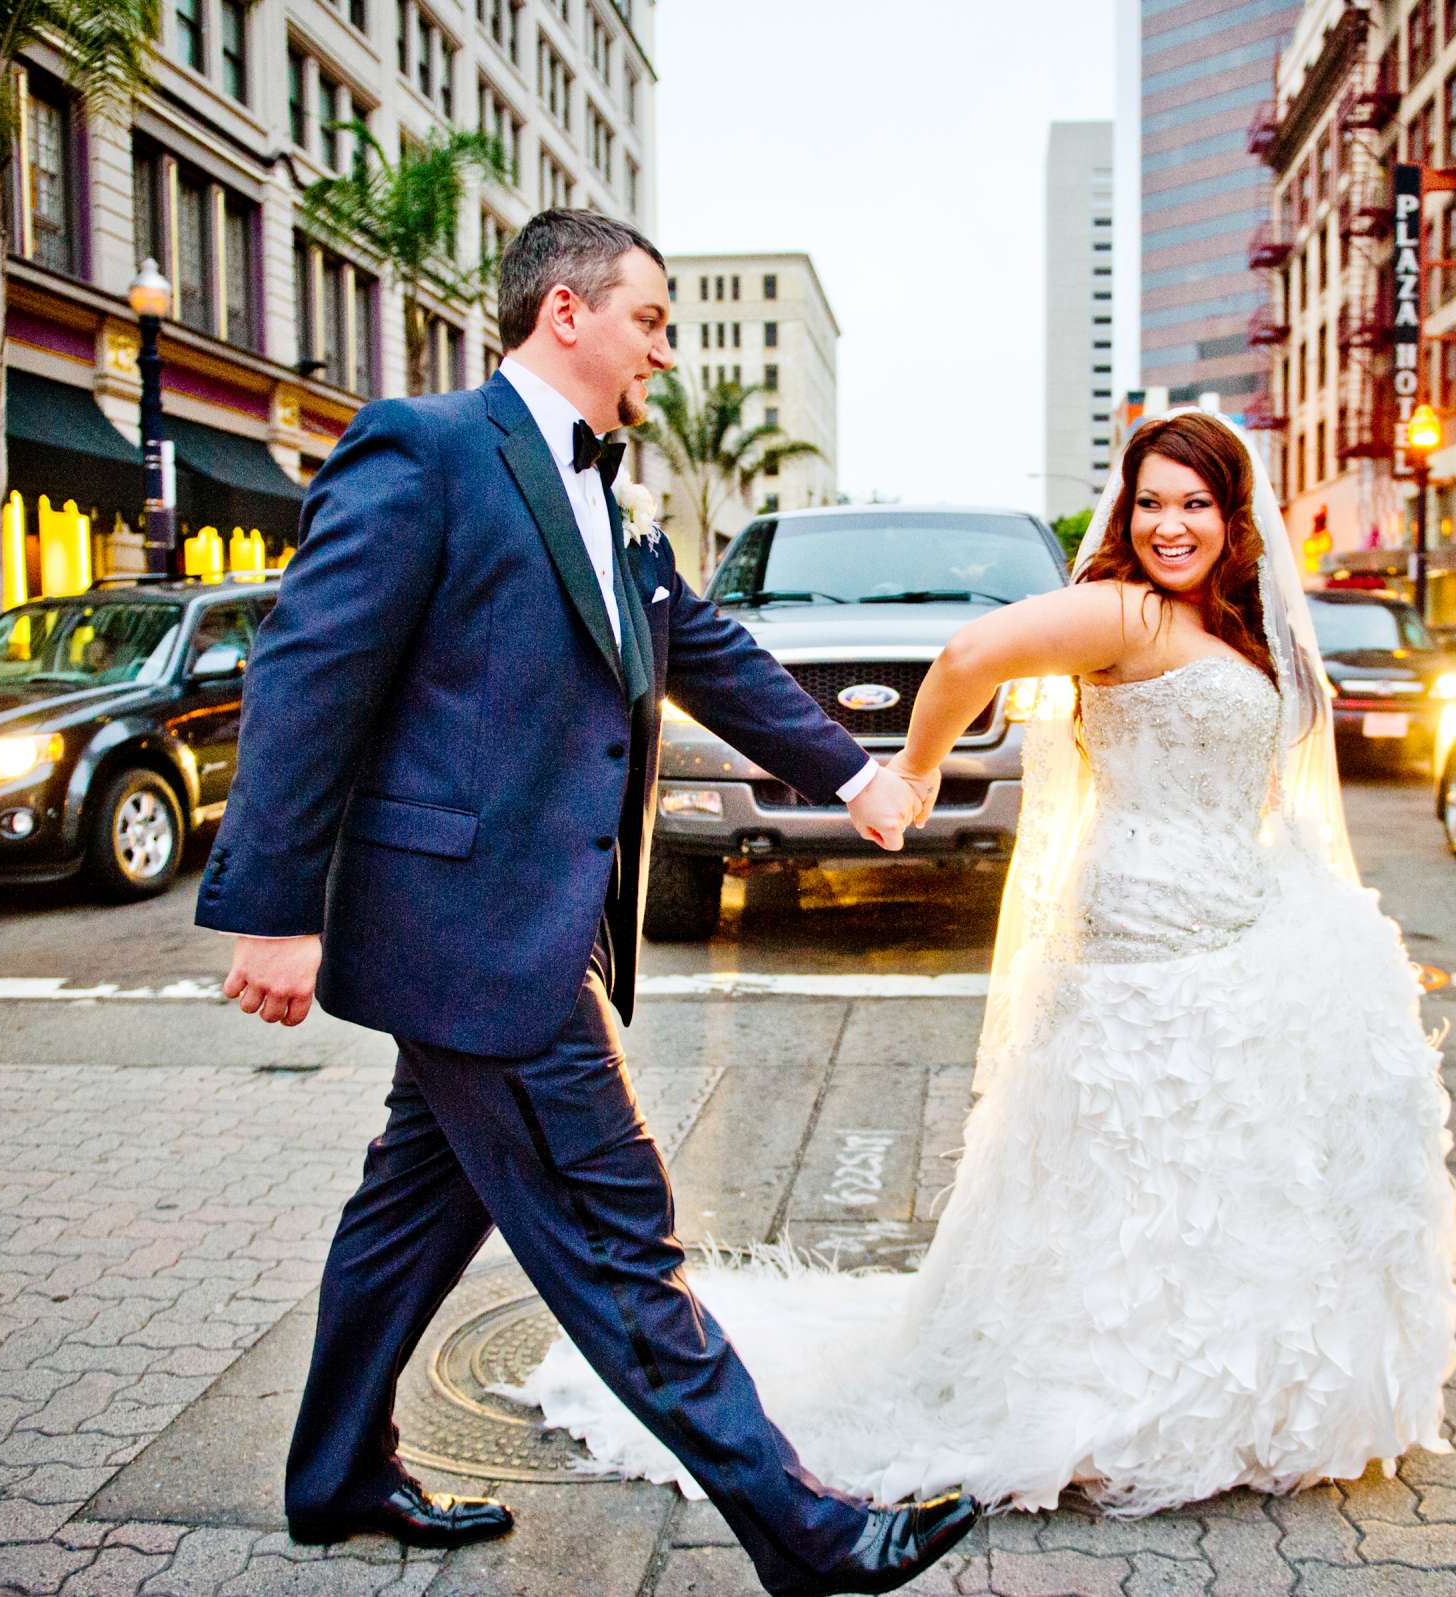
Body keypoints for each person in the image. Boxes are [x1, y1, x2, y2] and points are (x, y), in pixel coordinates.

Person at [198, 209, 975, 1597]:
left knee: (413, 1208)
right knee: (619, 1231)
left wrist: (855, 772)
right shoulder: (425, 451)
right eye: (652, 320)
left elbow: (710, 656)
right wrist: (271, 908)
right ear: (567, 313)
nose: (664, 351)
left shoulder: (608, 501)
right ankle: (811, 1534)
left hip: (508, 932)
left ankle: (334, 1477)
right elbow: (306, 673)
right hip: (477, 931)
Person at [507, 411, 1456, 1515]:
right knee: (1135, 1164)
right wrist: (912, 774)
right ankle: (1113, 1387)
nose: (1170, 524)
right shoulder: (1125, 610)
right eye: (1150, 501)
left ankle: (1223, 1381)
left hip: (1240, 923)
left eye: (1195, 503)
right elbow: (967, 655)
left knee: (1215, 1172)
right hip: (1145, 932)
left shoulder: (1239, 626)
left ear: (1233, 516)